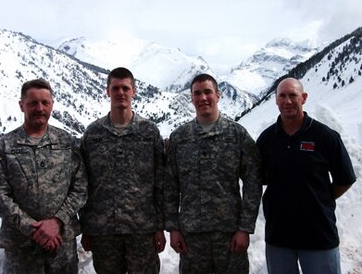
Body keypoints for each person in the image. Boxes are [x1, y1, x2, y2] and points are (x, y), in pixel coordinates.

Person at [0, 78, 88, 273]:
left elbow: (81, 187)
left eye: (45, 103)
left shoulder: (67, 143)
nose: (39, 108)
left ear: (52, 105)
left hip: (62, 246)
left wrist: (57, 221)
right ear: (21, 105)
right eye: (33, 103)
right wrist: (33, 229)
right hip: (21, 250)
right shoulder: (5, 147)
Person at [164, 73, 262, 274]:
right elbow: (170, 187)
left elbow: (253, 182)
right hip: (192, 238)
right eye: (197, 93)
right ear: (191, 98)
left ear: (218, 95)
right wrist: (173, 228)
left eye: (208, 92)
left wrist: (245, 228)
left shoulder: (237, 135)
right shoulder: (179, 139)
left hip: (230, 236)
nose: (203, 98)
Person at [256, 77, 356, 274]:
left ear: (304, 98)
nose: (288, 101)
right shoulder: (267, 139)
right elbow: (259, 178)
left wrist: (322, 198)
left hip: (319, 236)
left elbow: (345, 178)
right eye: (282, 96)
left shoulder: (325, 136)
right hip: (279, 238)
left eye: (293, 95)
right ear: (275, 101)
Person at [80, 67, 166, 274]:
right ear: (107, 91)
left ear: (134, 91)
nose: (121, 93)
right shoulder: (93, 134)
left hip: (142, 230)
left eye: (125, 88)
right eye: (115, 88)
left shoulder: (149, 132)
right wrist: (86, 227)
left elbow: (160, 182)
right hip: (103, 231)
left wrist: (159, 226)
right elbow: (83, 182)